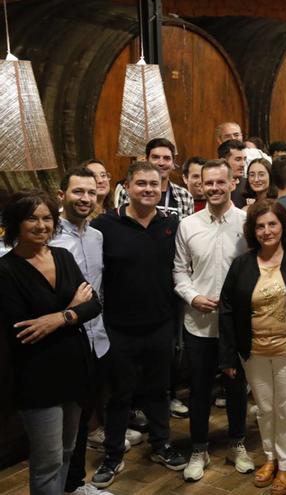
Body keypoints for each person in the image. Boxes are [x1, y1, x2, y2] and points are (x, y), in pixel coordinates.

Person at [90, 162, 187, 488]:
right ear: (127, 187)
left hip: (160, 324)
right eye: (141, 183)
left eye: (154, 184)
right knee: (120, 395)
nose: (148, 189)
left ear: (162, 187)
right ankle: (113, 454)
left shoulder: (170, 224)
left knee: (159, 391)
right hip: (118, 326)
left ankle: (161, 445)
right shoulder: (106, 224)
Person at [218, 200, 286, 494]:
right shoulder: (241, 265)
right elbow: (226, 310)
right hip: (253, 353)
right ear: (253, 231)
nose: (266, 231)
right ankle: (270, 457)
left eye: (272, 224)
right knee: (265, 409)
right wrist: (227, 355)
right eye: (260, 226)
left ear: (283, 226)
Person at [0, 190, 101, 495]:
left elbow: (93, 304)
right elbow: (24, 329)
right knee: (47, 460)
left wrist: (57, 318)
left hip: (74, 368)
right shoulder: (6, 271)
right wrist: (72, 309)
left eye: (47, 218)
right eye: (32, 218)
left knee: (68, 449)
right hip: (37, 377)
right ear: (16, 223)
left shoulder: (63, 256)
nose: (42, 225)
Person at [172, 159, 254, 482]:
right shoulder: (187, 225)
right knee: (200, 389)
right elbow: (179, 270)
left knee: (236, 386)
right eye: (209, 183)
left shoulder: (248, 223)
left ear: (234, 183)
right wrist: (193, 297)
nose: (215, 188)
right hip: (199, 323)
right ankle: (198, 448)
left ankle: (237, 443)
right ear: (201, 185)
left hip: (237, 325)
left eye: (222, 182)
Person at [48, 169, 119, 495]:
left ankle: (74, 484)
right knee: (61, 429)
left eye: (91, 192)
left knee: (83, 419)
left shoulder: (97, 236)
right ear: (61, 195)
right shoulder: (48, 238)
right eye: (78, 192)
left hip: (98, 342)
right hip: (65, 342)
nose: (86, 199)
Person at [115, 138, 194, 218]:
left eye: (167, 158)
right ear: (146, 160)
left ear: (173, 163)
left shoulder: (184, 195)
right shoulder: (129, 191)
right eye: (155, 157)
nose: (161, 163)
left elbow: (187, 229)